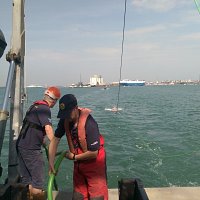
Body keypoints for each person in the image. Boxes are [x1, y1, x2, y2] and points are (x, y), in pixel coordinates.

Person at [48, 94, 108, 200]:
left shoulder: (90, 123)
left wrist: (73, 157)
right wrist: (51, 162)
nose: (66, 117)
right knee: (78, 196)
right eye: (64, 114)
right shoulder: (65, 120)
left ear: (75, 108)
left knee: (97, 197)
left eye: (68, 113)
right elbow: (55, 139)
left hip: (94, 164)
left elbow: (94, 153)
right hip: (79, 165)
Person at [16, 86, 61, 199]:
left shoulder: (34, 106)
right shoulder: (44, 109)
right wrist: (55, 143)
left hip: (21, 146)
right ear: (54, 101)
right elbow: (48, 129)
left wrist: (47, 144)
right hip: (31, 150)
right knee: (37, 182)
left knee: (27, 180)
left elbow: (37, 130)